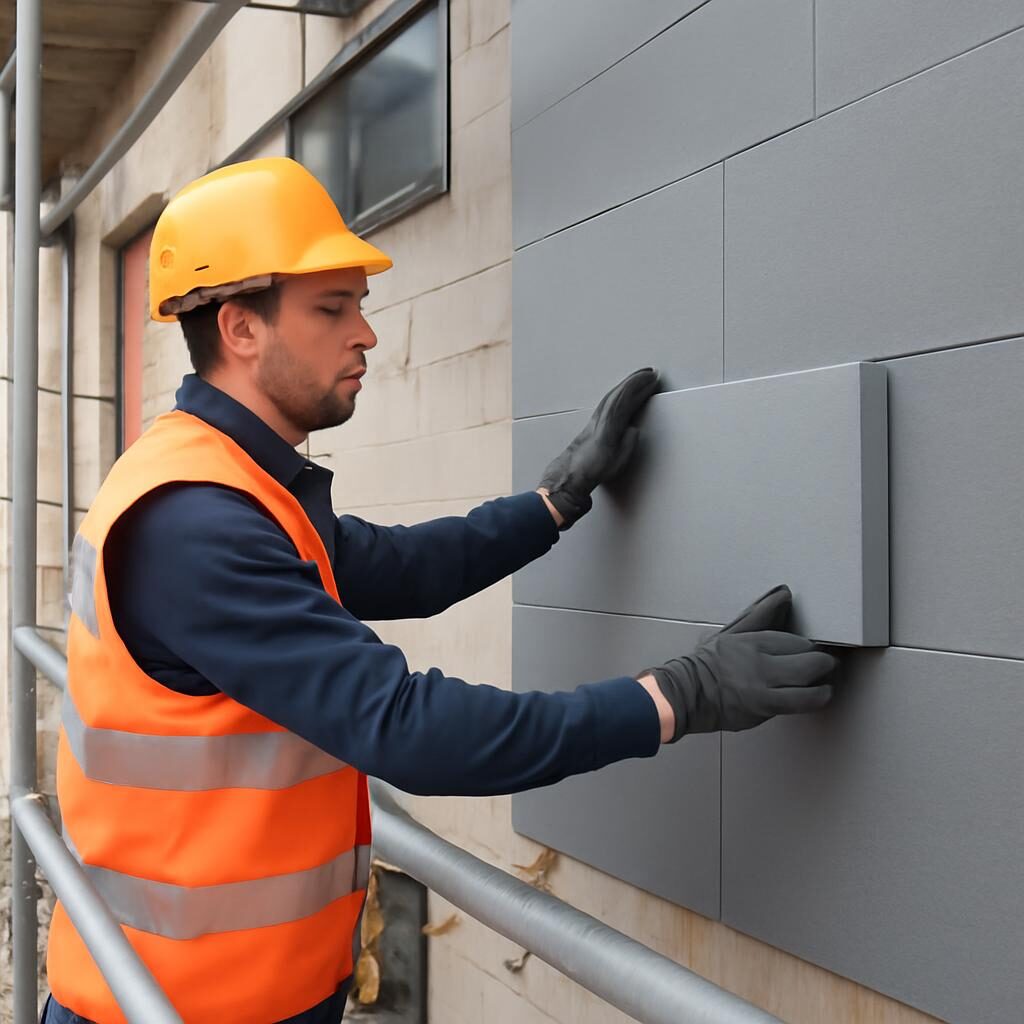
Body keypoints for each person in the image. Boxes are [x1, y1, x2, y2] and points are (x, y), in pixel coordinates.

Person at [43, 158, 837, 1024]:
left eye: (361, 307)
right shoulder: (196, 524)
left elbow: (399, 569)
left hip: (225, 992)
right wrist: (679, 696)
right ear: (240, 328)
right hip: (168, 1009)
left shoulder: (228, 481)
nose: (367, 336)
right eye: (332, 308)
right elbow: (410, 731)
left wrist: (555, 501)